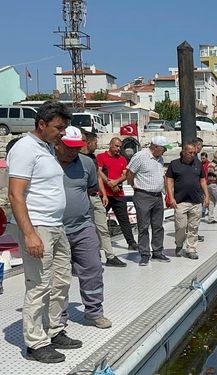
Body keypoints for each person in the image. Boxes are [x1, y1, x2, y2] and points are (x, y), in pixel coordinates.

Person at [7, 100, 82, 363]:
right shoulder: (25, 149)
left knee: (61, 280)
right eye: (59, 127)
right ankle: (36, 343)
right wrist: (29, 234)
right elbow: (15, 195)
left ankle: (55, 329)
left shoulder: (47, 148)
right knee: (38, 285)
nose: (63, 133)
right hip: (37, 226)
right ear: (41, 124)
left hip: (55, 225)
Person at [57, 126, 112, 330]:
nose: (73, 152)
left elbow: (91, 188)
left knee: (93, 269)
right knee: (58, 277)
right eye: (68, 147)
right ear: (58, 144)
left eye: (77, 147)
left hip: (82, 226)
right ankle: (59, 317)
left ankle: (94, 312)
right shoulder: (47, 162)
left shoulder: (87, 163)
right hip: (55, 229)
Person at [80, 131, 126, 267]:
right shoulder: (78, 158)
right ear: (88, 143)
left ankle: (110, 256)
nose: (97, 145)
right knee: (86, 229)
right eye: (95, 142)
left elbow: (98, 176)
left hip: (95, 196)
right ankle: (87, 257)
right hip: (83, 197)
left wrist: (104, 194)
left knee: (103, 227)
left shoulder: (93, 158)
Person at [126, 136, 172, 266]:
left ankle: (157, 252)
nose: (165, 151)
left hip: (157, 196)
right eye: (164, 149)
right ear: (156, 147)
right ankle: (145, 254)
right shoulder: (140, 156)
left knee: (158, 226)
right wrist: (134, 186)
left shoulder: (160, 158)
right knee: (144, 226)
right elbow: (129, 173)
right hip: (143, 196)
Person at [166, 142, 209, 260]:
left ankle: (191, 249)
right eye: (190, 152)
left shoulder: (198, 164)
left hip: (196, 201)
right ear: (183, 152)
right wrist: (171, 197)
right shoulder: (174, 164)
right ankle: (179, 244)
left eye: (194, 153)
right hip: (180, 201)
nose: (192, 155)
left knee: (193, 227)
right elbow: (169, 181)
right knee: (181, 226)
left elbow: (202, 180)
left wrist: (207, 196)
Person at [97, 137, 138, 251]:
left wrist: (116, 182)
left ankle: (131, 242)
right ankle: (97, 242)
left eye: (120, 146)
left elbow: (125, 174)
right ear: (110, 145)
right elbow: (98, 171)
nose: (118, 149)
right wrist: (109, 182)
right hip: (104, 194)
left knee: (124, 219)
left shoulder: (122, 159)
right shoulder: (101, 157)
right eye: (116, 146)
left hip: (118, 194)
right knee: (99, 220)